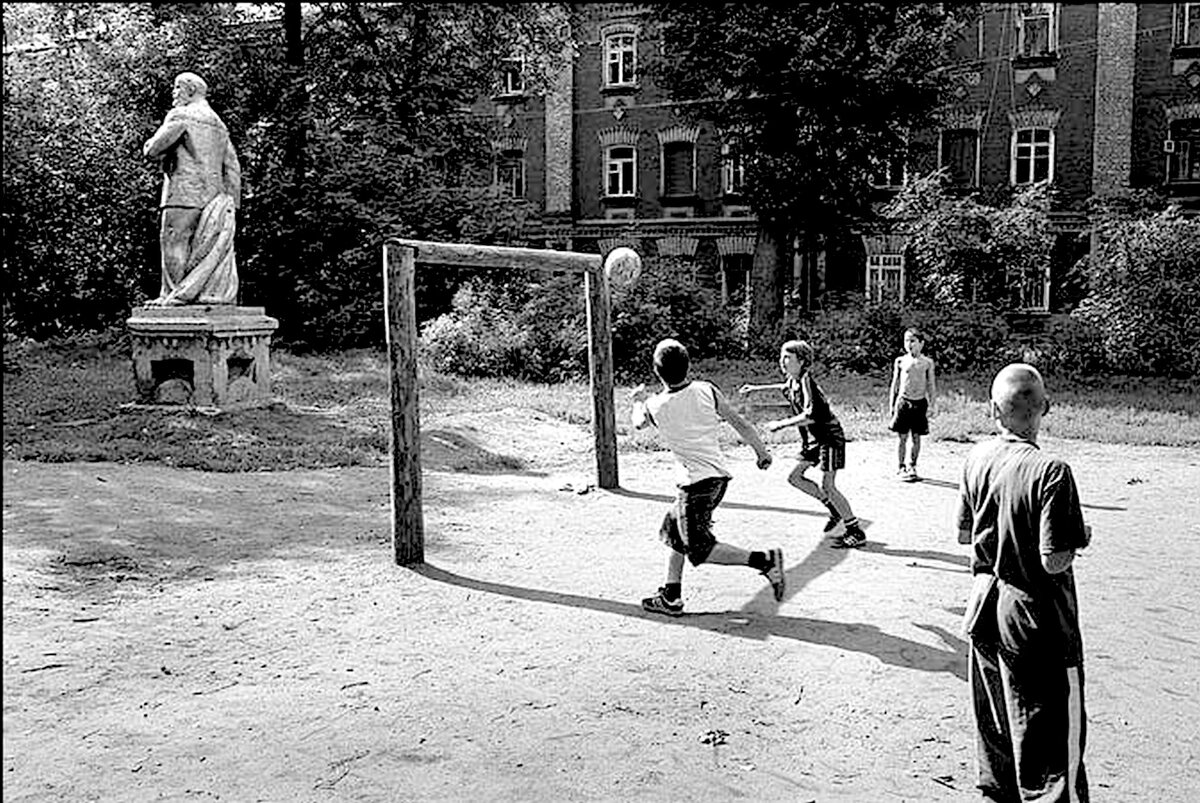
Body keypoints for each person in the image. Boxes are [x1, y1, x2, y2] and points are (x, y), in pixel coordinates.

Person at [955, 363, 1091, 803]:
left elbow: (963, 534)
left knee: (997, 733)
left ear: (992, 410)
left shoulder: (976, 457)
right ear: (1045, 408)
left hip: (983, 605)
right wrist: (1081, 537)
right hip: (1036, 618)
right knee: (1052, 749)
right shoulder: (1052, 471)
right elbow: (1053, 561)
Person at [630, 338, 786, 616]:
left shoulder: (656, 405)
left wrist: (638, 400)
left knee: (699, 549)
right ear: (688, 366)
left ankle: (765, 561)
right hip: (716, 479)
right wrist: (762, 452)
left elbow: (638, 423)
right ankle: (671, 595)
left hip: (696, 485)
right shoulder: (706, 389)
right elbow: (740, 423)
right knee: (674, 533)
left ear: (657, 371)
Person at [739, 340, 868, 548]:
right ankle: (833, 509)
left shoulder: (808, 381)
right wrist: (756, 388)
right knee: (795, 477)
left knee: (829, 485)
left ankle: (855, 530)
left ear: (802, 361)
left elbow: (811, 415)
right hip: (814, 440)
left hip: (829, 437)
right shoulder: (793, 380)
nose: (782, 361)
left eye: (788, 357)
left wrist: (781, 424)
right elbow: (784, 387)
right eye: (781, 356)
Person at [143, 71, 242, 306]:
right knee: (205, 248)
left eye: (177, 88)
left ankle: (172, 296)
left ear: (190, 91)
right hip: (214, 197)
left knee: (174, 241)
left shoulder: (181, 115)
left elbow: (153, 150)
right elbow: (232, 164)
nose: (174, 93)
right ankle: (196, 294)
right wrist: (231, 203)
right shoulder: (219, 125)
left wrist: (150, 144)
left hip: (183, 192)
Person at [889, 327, 937, 482]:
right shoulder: (901, 361)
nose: (909, 344)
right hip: (904, 402)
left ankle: (912, 465)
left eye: (913, 341)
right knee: (902, 437)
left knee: (916, 437)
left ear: (921, 343)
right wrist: (892, 404)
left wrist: (933, 404)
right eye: (906, 341)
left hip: (920, 403)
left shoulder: (927, 362)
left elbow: (931, 385)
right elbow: (895, 384)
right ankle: (901, 467)